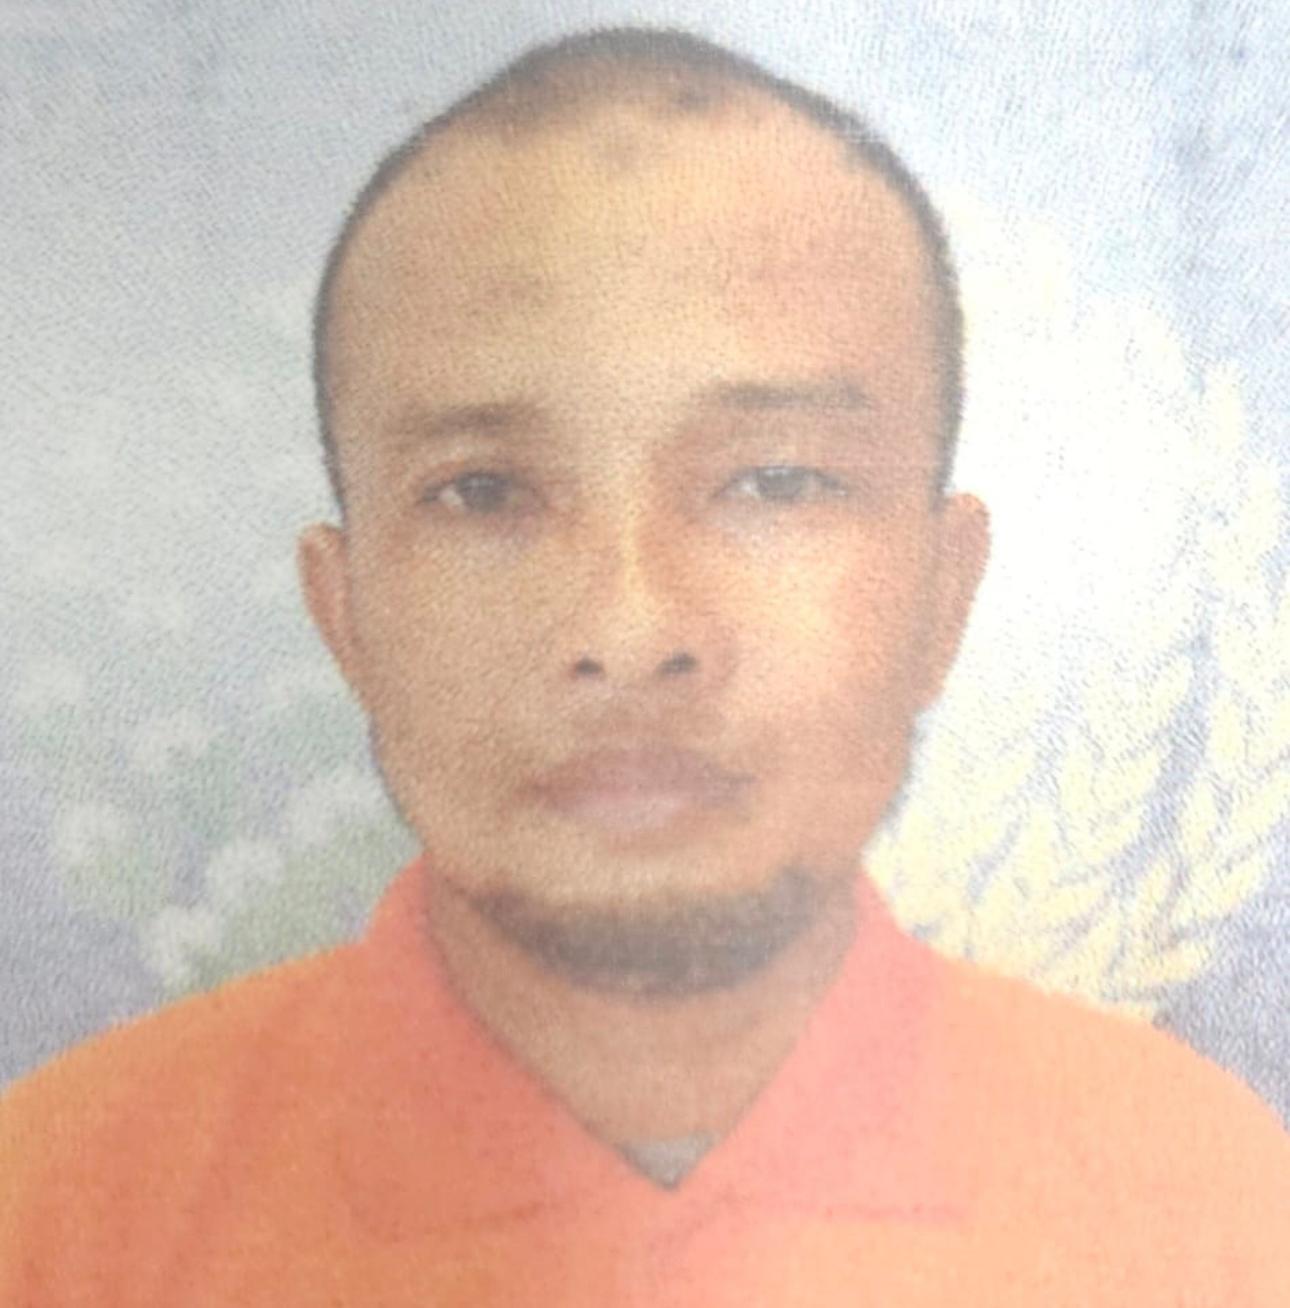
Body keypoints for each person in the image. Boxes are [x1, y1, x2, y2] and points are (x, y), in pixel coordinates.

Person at [1, 26, 1287, 1307]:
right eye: (483, 491)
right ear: (345, 618)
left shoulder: (1212, 1206)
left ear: (943, 599)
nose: (628, 632)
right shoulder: (60, 1208)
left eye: (775, 480)